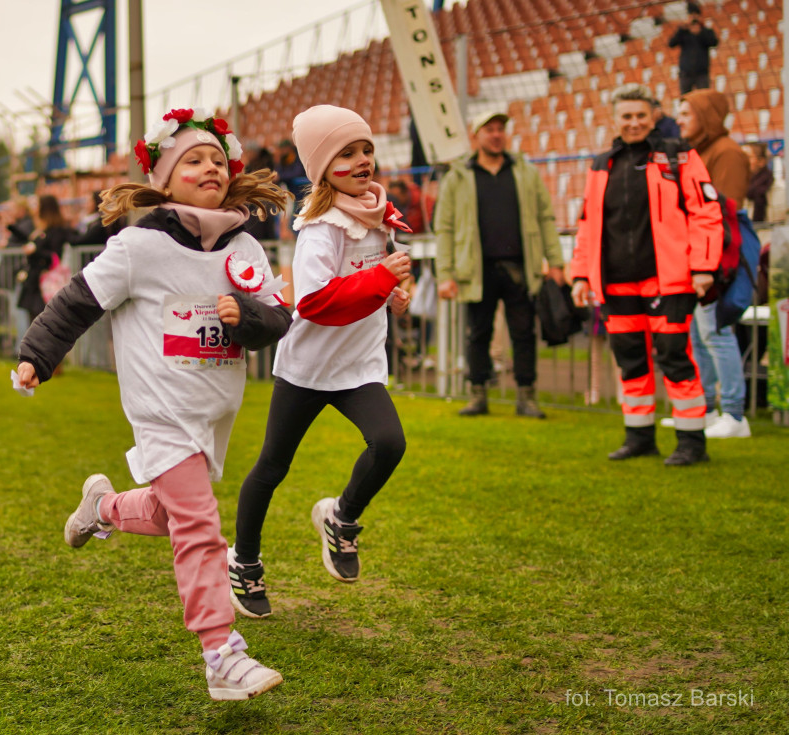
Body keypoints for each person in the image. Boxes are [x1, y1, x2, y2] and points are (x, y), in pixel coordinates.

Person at [14, 109, 291, 701]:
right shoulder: (137, 245)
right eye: (193, 159)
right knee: (199, 524)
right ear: (164, 179)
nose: (209, 167)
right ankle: (221, 654)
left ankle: (104, 506)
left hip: (212, 412)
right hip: (160, 410)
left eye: (218, 159)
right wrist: (37, 354)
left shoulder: (245, 246)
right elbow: (76, 302)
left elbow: (277, 320)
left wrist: (248, 317)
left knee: (173, 515)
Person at [227, 104, 412, 620]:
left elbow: (382, 278)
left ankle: (341, 518)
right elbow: (314, 302)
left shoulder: (378, 211)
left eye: (367, 149)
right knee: (272, 467)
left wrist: (398, 291)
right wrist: (382, 280)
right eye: (346, 153)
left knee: (390, 443)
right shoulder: (320, 228)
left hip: (358, 367)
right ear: (322, 166)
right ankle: (242, 561)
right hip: (307, 369)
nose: (362, 161)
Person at [571, 83, 723, 465]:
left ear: (653, 115)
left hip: (668, 280)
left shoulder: (679, 155)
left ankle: (692, 442)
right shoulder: (601, 163)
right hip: (616, 282)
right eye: (627, 116)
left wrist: (703, 268)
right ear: (615, 119)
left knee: (675, 358)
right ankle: (639, 437)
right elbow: (587, 224)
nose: (634, 123)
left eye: (641, 115)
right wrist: (581, 276)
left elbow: (706, 213)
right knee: (630, 361)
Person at [434, 111, 565, 418]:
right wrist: (445, 274)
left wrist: (556, 261)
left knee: (523, 333)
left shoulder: (525, 171)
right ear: (476, 135)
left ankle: (526, 397)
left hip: (520, 266)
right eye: (489, 129)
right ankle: (478, 395)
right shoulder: (458, 176)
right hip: (476, 270)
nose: (496, 134)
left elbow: (546, 217)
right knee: (478, 333)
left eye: (500, 129)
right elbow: (445, 228)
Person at [676, 89, 752, 438]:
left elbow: (725, 213)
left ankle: (735, 415)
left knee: (716, 331)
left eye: (686, 113)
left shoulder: (728, 153)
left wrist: (711, 266)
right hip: (698, 255)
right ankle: (705, 410)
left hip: (720, 258)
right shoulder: (698, 152)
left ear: (705, 116)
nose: (679, 120)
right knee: (699, 332)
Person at [15, 194, 78, 341]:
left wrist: (34, 250)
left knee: (47, 333)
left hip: (46, 287)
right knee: (34, 331)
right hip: (34, 285)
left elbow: (53, 257)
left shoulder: (56, 231)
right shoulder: (38, 230)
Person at [668, 1, 718, 94]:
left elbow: (714, 42)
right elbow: (671, 44)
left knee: (703, 99)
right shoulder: (683, 31)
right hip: (685, 73)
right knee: (685, 99)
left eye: (696, 15)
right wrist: (682, 29)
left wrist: (700, 32)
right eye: (691, 15)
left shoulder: (706, 31)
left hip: (702, 73)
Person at [743, 142, 774, 223]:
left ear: (761, 162)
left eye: (748, 156)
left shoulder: (777, 188)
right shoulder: (738, 187)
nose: (742, 160)